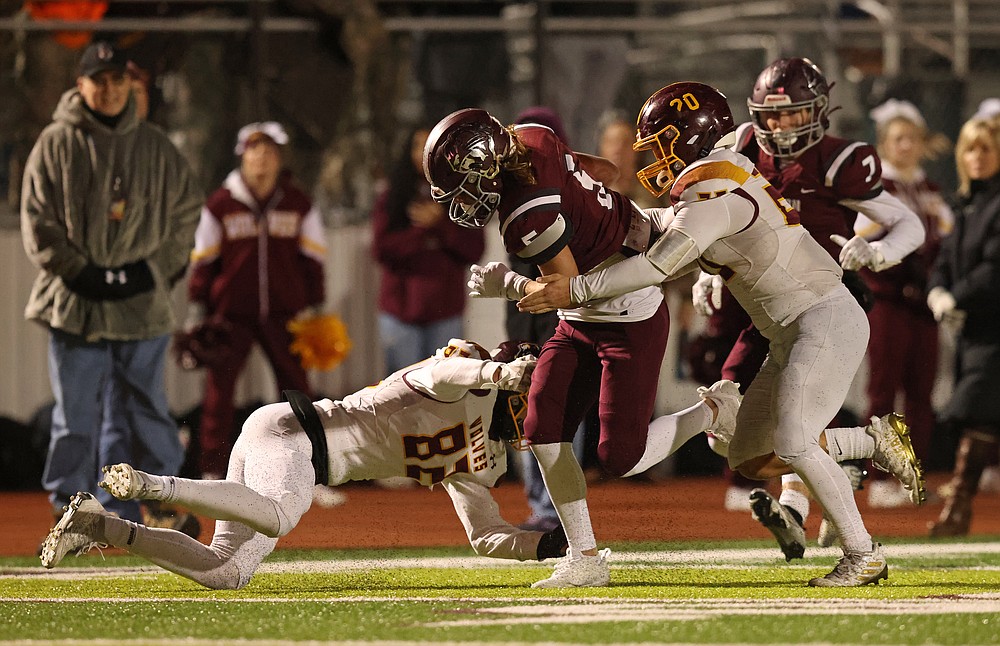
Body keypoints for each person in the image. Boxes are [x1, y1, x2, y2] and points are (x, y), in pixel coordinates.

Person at [518, 81, 926, 586]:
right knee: (745, 456)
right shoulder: (711, 180)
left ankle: (863, 554)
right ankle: (868, 442)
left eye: (662, 142)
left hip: (823, 316)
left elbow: (656, 265)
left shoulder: (713, 191)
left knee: (794, 440)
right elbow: (655, 226)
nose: (655, 157)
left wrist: (575, 289)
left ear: (690, 137)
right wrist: (587, 200)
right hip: (787, 329)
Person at [424, 107, 742, 588]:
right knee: (541, 425)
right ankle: (585, 555)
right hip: (581, 319)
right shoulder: (533, 137)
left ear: (485, 163)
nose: (463, 200)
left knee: (621, 458)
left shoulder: (524, 216)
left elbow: (565, 287)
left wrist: (504, 283)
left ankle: (712, 411)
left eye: (463, 183)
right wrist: (588, 208)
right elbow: (607, 174)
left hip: (627, 314)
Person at [39, 340, 552, 587]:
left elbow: (485, 534)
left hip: (293, 453)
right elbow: (446, 373)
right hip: (295, 432)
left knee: (227, 571)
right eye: (532, 398)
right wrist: (501, 371)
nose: (533, 414)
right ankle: (153, 487)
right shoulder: (465, 377)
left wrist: (548, 544)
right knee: (284, 511)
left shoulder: (482, 457)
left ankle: (99, 524)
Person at [704, 57, 927, 556]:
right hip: (760, 305)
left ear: (820, 111)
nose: (781, 127)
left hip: (823, 302)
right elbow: (711, 217)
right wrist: (705, 272)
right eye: (773, 116)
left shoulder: (839, 160)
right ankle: (852, 457)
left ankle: (803, 508)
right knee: (730, 426)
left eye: (794, 115)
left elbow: (907, 223)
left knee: (792, 417)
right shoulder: (741, 147)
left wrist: (878, 252)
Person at [20, 41, 202, 528]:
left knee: (147, 410)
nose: (108, 89)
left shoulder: (156, 146)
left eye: (116, 79)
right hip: (76, 302)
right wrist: (81, 271)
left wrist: (149, 269)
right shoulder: (55, 143)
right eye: (98, 80)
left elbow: (187, 212)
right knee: (76, 416)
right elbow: (37, 220)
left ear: (131, 84)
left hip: (141, 303)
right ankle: (73, 510)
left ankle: (158, 499)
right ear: (80, 85)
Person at [186, 121, 327, 480]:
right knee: (219, 397)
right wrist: (196, 311)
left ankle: (307, 473)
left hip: (286, 315)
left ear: (280, 159)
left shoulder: (298, 203)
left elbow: (313, 260)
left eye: (270, 151)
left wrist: (316, 307)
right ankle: (213, 475)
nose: (262, 157)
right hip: (231, 315)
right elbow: (204, 261)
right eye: (255, 149)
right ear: (242, 156)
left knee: (298, 394)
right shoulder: (220, 204)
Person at [857, 99, 954, 508]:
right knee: (883, 391)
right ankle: (879, 478)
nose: (907, 146)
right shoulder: (881, 188)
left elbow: (948, 233)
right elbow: (862, 232)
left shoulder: (928, 188)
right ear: (884, 145)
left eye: (912, 139)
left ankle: (914, 477)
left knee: (921, 395)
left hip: (922, 305)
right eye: (898, 139)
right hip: (889, 300)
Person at [926, 117, 1000, 537]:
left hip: (994, 330)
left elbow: (995, 266)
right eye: (970, 149)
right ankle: (959, 507)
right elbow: (944, 260)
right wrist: (938, 291)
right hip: (976, 331)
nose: (976, 157)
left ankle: (957, 508)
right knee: (982, 415)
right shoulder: (964, 202)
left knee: (975, 413)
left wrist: (958, 296)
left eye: (985, 149)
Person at [372, 126, 485, 375]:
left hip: (445, 313)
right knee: (401, 396)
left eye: (431, 146)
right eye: (417, 147)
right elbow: (381, 249)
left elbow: (474, 249)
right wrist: (421, 232)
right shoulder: (393, 197)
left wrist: (441, 225)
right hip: (400, 314)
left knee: (444, 395)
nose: (423, 154)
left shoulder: (463, 194)